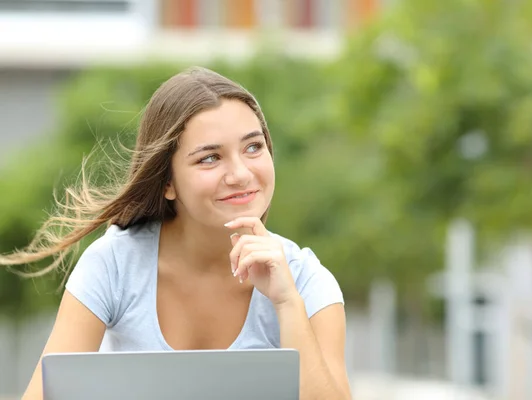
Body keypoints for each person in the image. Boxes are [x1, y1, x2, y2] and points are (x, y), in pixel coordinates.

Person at [1, 67, 351, 400]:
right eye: (209, 158)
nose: (241, 173)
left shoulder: (306, 279)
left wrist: (287, 302)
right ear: (167, 182)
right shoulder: (113, 264)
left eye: (253, 147)